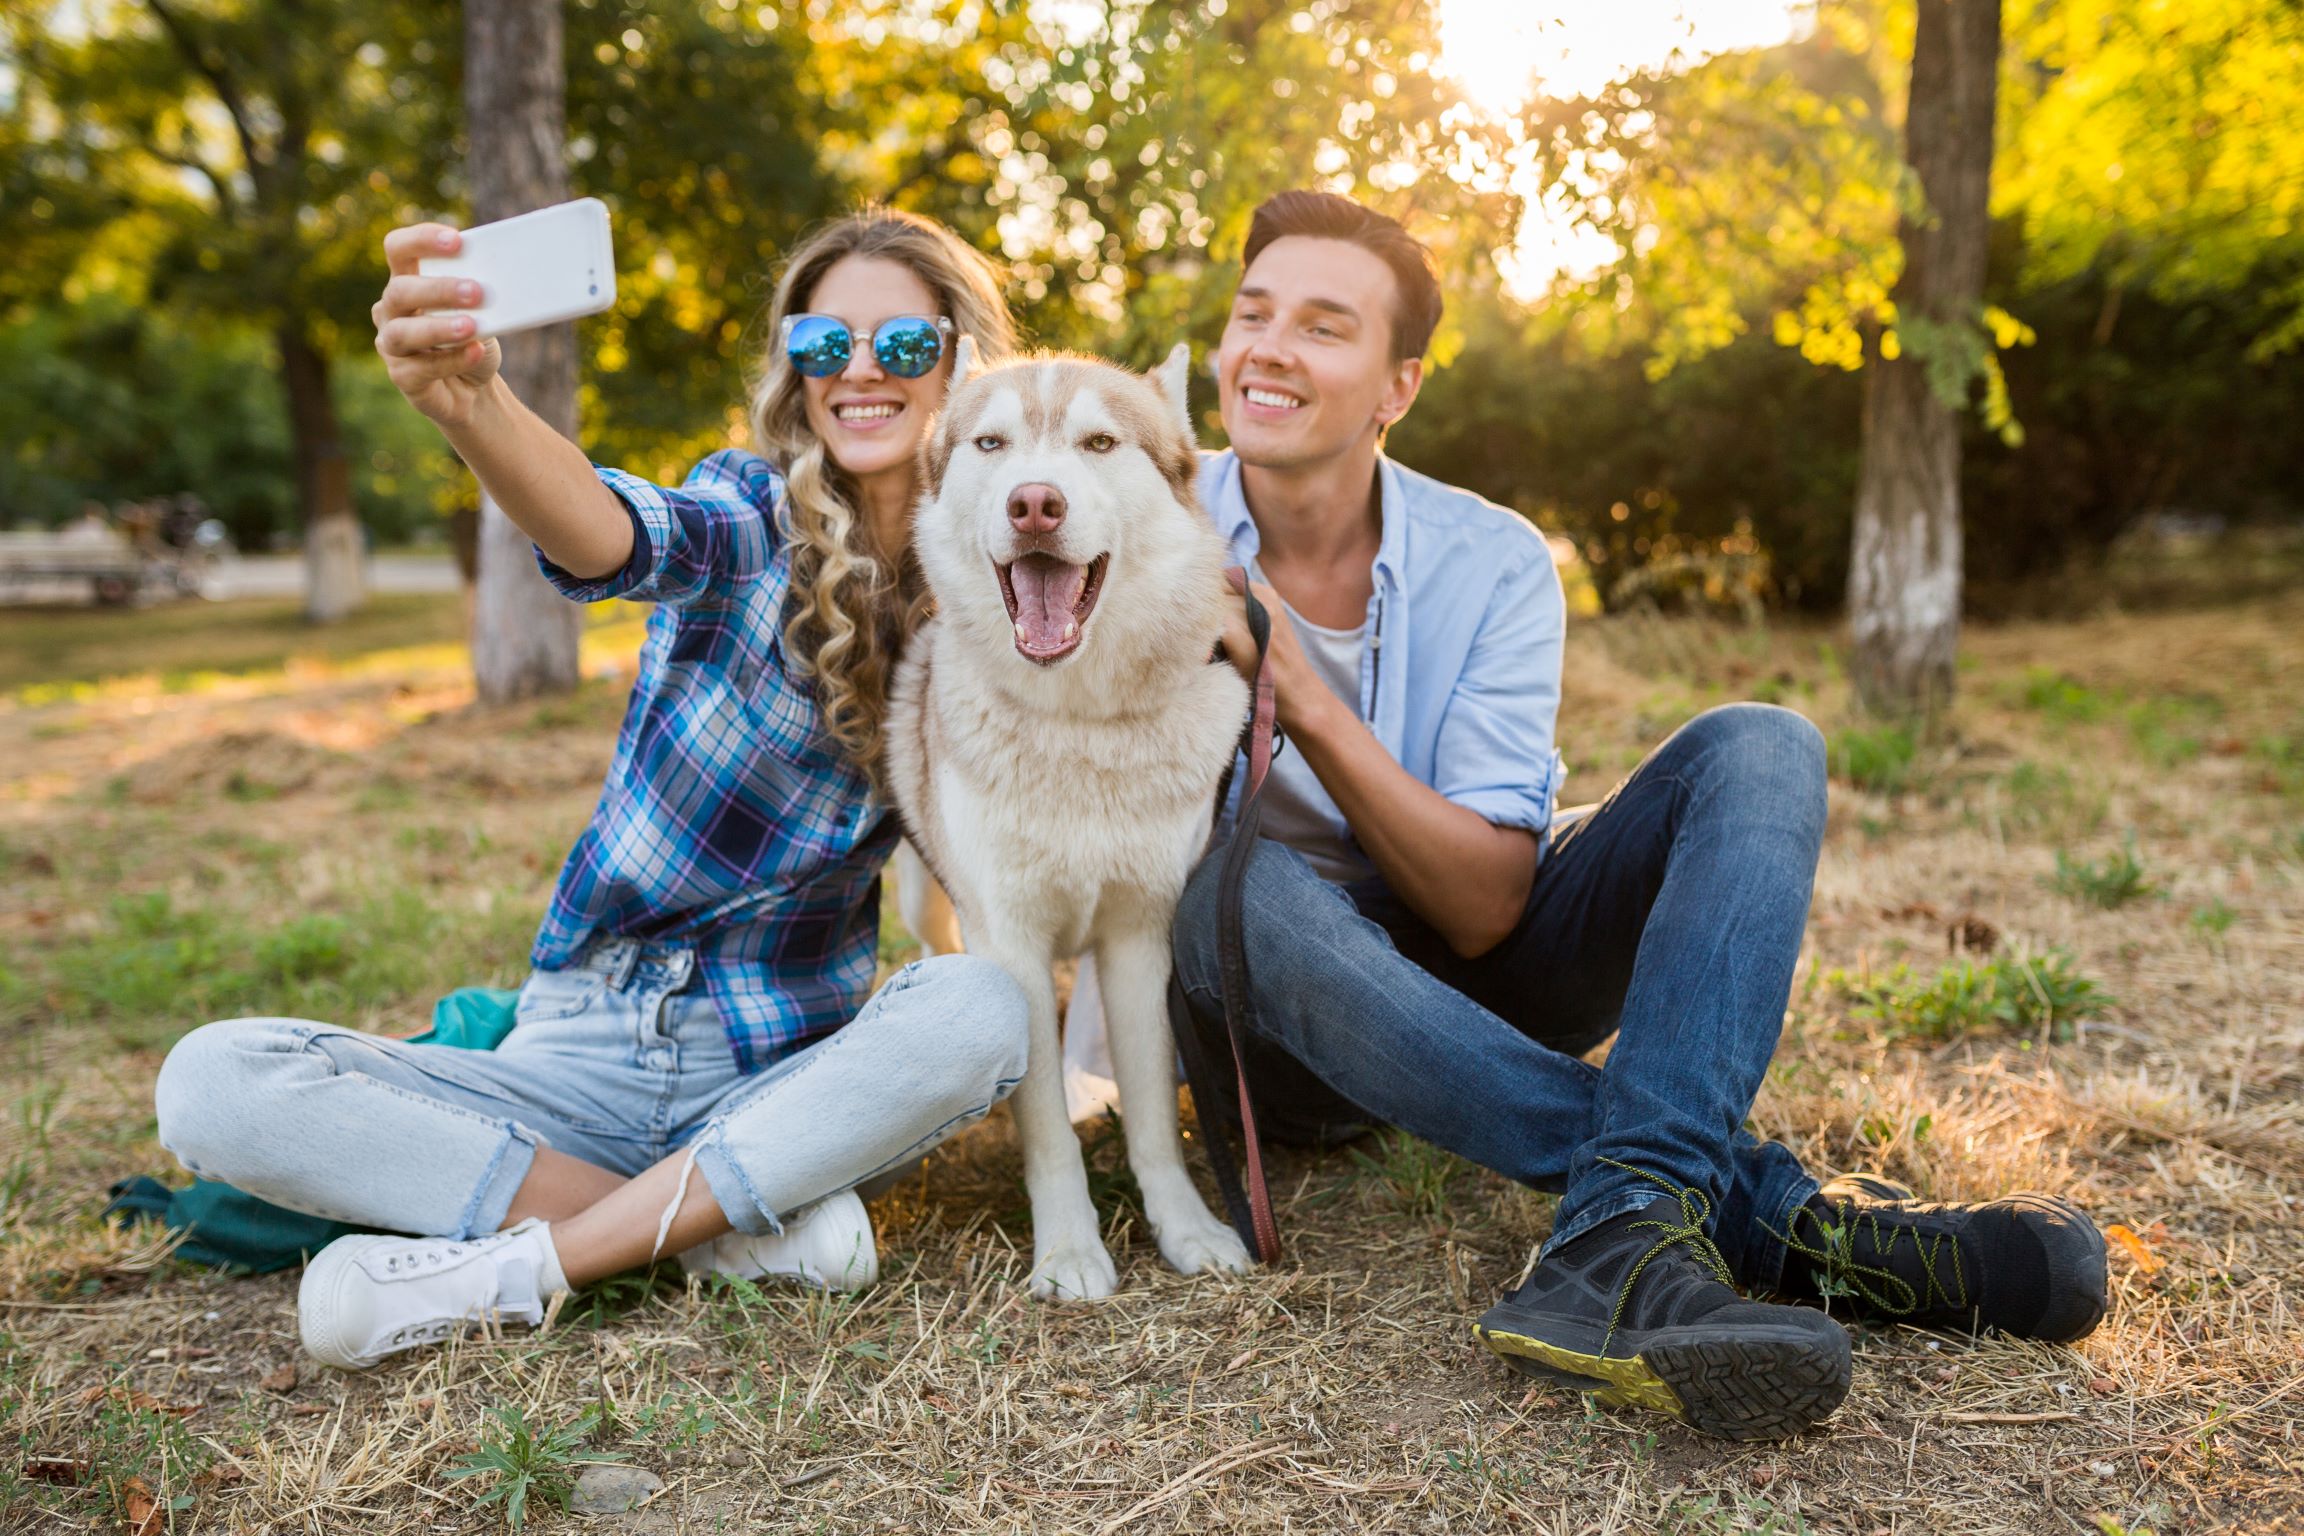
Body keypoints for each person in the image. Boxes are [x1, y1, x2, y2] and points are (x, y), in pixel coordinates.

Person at [1177, 191, 2109, 1442]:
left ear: (1398, 387)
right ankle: (1764, 1218)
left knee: (1762, 745)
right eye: (1253, 315)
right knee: (1235, 889)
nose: (1270, 348)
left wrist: (1314, 708)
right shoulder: (1142, 520)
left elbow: (1485, 907)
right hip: (1280, 1014)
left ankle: (1620, 1237)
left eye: (1323, 325)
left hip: (1468, 958)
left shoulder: (1494, 559)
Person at [154, 208, 1031, 1372]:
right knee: (211, 1083)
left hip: (779, 1079)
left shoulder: (999, 598)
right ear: (795, 368)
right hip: (579, 1054)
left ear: (964, 362)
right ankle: (703, 1229)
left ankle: (522, 1267)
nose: (861, 371)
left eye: (905, 346)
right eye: (826, 344)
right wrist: (474, 406)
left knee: (982, 1006)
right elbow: (619, 532)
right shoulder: (750, 517)